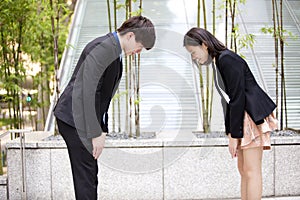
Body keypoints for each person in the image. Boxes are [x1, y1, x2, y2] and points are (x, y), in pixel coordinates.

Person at [53, 16, 156, 200]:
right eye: (140, 47)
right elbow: (88, 93)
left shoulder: (113, 50)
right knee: (86, 176)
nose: (138, 52)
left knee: (89, 174)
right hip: (74, 118)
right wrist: (95, 133)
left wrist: (102, 130)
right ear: (131, 36)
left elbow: (102, 97)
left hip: (81, 118)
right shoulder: (104, 49)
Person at [183, 27, 278, 200]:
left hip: (251, 116)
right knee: (244, 170)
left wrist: (234, 135)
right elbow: (227, 101)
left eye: (193, 52)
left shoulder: (226, 59)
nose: (194, 57)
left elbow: (237, 97)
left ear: (204, 45)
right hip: (243, 116)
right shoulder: (219, 61)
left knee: (251, 171)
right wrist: (230, 133)